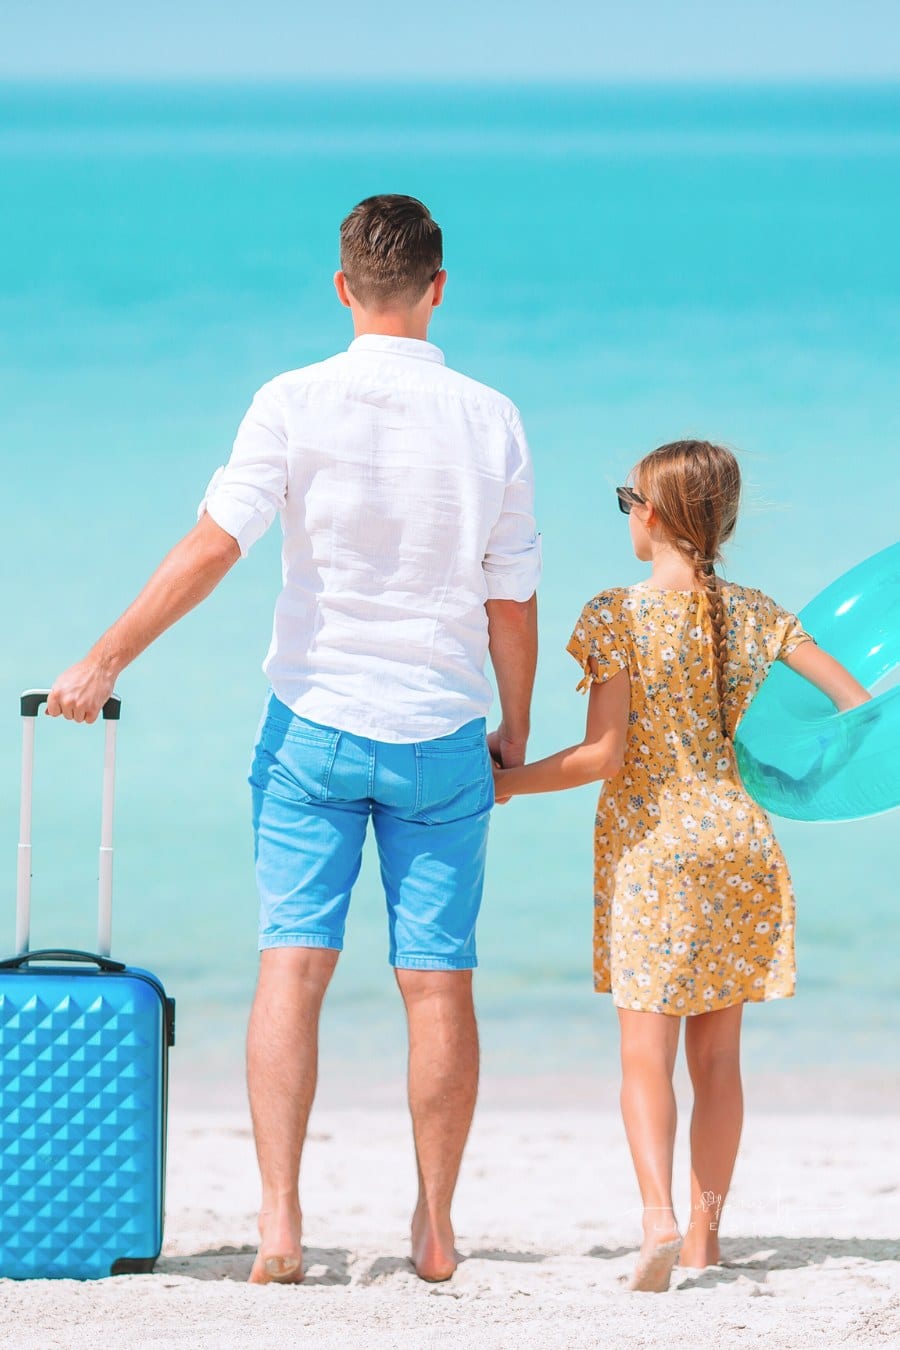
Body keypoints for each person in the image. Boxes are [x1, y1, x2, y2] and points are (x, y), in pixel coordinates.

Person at [47, 194, 541, 1285]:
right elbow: (511, 600)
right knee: (439, 983)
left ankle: (279, 1225)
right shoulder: (491, 415)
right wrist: (516, 725)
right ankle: (436, 1230)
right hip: (442, 733)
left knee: (292, 966)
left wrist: (106, 655)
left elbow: (217, 543)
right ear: (438, 287)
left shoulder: (291, 399)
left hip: (312, 730)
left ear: (341, 287)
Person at [491, 440, 869, 1292]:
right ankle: (705, 1242)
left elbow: (601, 757)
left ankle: (657, 1216)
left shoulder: (614, 616)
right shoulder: (759, 613)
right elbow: (853, 707)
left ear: (651, 514)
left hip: (656, 850)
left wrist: (507, 785)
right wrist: (803, 780)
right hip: (739, 840)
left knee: (643, 1058)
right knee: (720, 1063)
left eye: (628, 499)